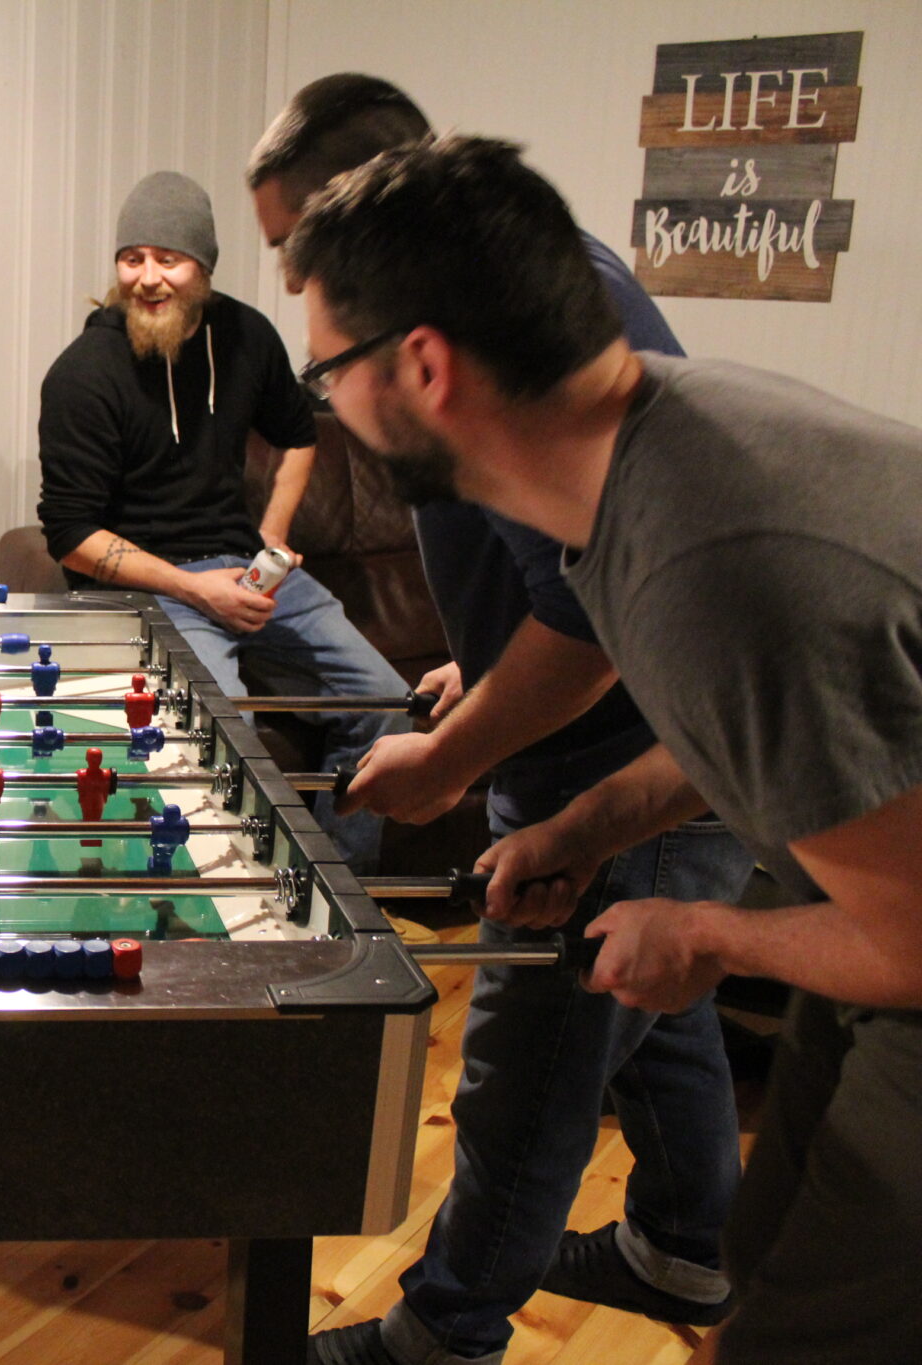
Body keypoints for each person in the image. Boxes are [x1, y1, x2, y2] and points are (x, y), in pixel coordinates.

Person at [285, 132, 922, 1365]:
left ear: (420, 367)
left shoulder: (705, 565)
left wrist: (705, 934)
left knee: (809, 1332)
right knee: (762, 1243)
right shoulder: (651, 465)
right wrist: (580, 831)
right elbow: (768, 734)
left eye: (326, 375)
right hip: (878, 883)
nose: (324, 409)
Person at [248, 77, 755, 1365]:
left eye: (299, 258)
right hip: (650, 747)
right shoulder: (527, 293)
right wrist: (470, 680)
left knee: (524, 1073)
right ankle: (681, 1246)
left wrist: (449, 762)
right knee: (656, 1028)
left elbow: (586, 632)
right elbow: (550, 593)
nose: (296, 290)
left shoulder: (512, 341)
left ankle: (445, 1330)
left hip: (630, 752)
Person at [36, 170, 408, 870]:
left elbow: (301, 435)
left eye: (168, 259)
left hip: (241, 562)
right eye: (132, 257)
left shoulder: (246, 336)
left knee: (386, 698)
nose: (148, 277)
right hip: (145, 587)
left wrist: (272, 534)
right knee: (221, 729)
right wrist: (196, 589)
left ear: (203, 265)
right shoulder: (82, 374)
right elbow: (72, 537)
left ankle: (339, 892)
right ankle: (231, 903)